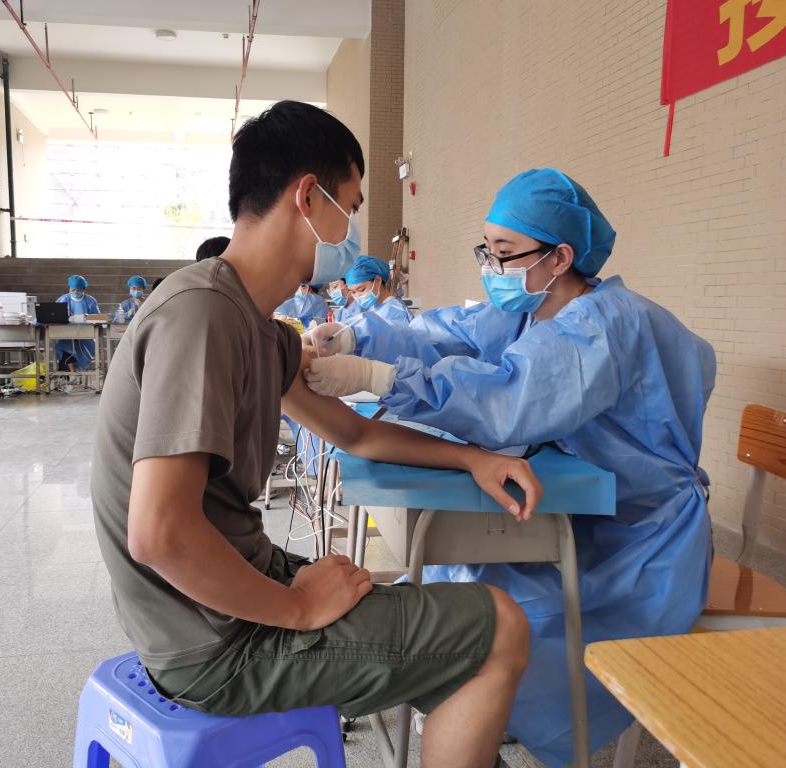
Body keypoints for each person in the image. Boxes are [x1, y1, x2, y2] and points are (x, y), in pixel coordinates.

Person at [92, 100, 541, 768]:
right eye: (350, 208)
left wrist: (470, 458)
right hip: (213, 644)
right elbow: (158, 534)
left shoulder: (254, 325)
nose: (351, 233)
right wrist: (296, 606)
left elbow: (355, 435)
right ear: (308, 198)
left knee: (450, 639)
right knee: (502, 626)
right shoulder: (203, 316)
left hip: (215, 608)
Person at [304, 167, 717, 767]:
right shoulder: (532, 309)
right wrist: (358, 338)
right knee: (467, 574)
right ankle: (481, 701)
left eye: (503, 252)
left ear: (560, 257)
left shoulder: (604, 326)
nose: (491, 266)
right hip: (580, 500)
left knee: (509, 598)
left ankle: (501, 700)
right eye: (487, 250)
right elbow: (447, 334)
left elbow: (508, 399)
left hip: (639, 532)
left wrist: (382, 379)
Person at [345, 255, 413, 327]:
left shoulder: (395, 311)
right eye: (353, 292)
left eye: (361, 290)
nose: (358, 296)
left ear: (377, 281)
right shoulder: (374, 307)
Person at [55, 275, 100, 372]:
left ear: (84, 289)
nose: (75, 292)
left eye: (78, 290)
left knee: (80, 347)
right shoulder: (63, 300)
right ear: (69, 288)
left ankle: (76, 372)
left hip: (86, 335)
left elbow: (98, 317)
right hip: (66, 334)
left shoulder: (90, 301)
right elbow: (55, 315)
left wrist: (86, 318)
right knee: (66, 345)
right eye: (73, 290)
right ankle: (72, 371)